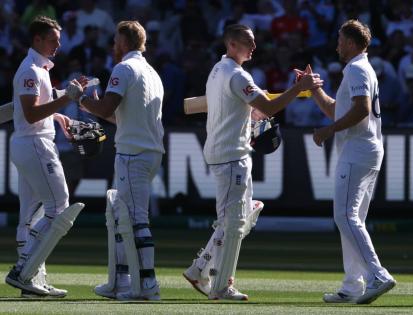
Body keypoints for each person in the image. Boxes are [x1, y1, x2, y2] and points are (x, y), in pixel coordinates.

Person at [182, 23, 322, 301]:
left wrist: (249, 112)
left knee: (235, 219)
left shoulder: (217, 70)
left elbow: (230, 104)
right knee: (233, 224)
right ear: (232, 45)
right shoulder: (237, 75)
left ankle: (199, 269)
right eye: (248, 42)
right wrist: (301, 88)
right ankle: (221, 287)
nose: (254, 48)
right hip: (232, 155)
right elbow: (269, 107)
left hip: (226, 152)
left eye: (255, 42)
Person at [306, 19, 396, 304]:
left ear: (352, 44)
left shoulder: (357, 68)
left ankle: (378, 275)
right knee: (352, 218)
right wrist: (312, 88)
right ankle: (352, 286)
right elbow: (338, 109)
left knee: (344, 216)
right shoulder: (359, 69)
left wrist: (328, 131)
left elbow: (361, 109)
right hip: (366, 150)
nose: (337, 45)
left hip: (358, 150)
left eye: (341, 40)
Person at [79, 20, 164, 301]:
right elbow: (118, 117)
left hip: (133, 153)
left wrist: (81, 99)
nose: (113, 46)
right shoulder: (151, 72)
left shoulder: (124, 68)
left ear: (125, 43)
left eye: (116, 41)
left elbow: (105, 106)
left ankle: (148, 283)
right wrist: (92, 105)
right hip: (148, 152)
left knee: (136, 218)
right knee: (122, 216)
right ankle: (120, 281)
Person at [5, 16, 86, 297]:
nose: (57, 45)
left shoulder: (38, 68)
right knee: (59, 206)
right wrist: (67, 99)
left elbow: (32, 109)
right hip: (35, 144)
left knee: (30, 216)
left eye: (58, 40)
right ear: (37, 39)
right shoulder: (30, 69)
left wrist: (60, 114)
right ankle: (24, 271)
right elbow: (30, 113)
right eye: (52, 40)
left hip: (30, 143)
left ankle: (32, 279)